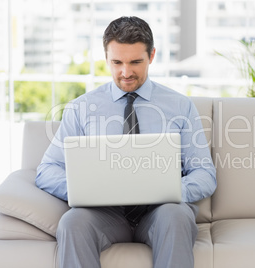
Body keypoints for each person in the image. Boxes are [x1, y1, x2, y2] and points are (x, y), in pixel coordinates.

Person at [35, 16, 216, 268]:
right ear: (106, 58)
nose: (125, 72)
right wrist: (85, 189)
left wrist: (171, 191)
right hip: (104, 214)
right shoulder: (81, 108)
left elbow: (205, 174)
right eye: (116, 62)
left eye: (135, 62)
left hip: (160, 212)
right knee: (72, 222)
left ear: (151, 56)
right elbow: (47, 171)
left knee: (176, 215)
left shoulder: (180, 106)